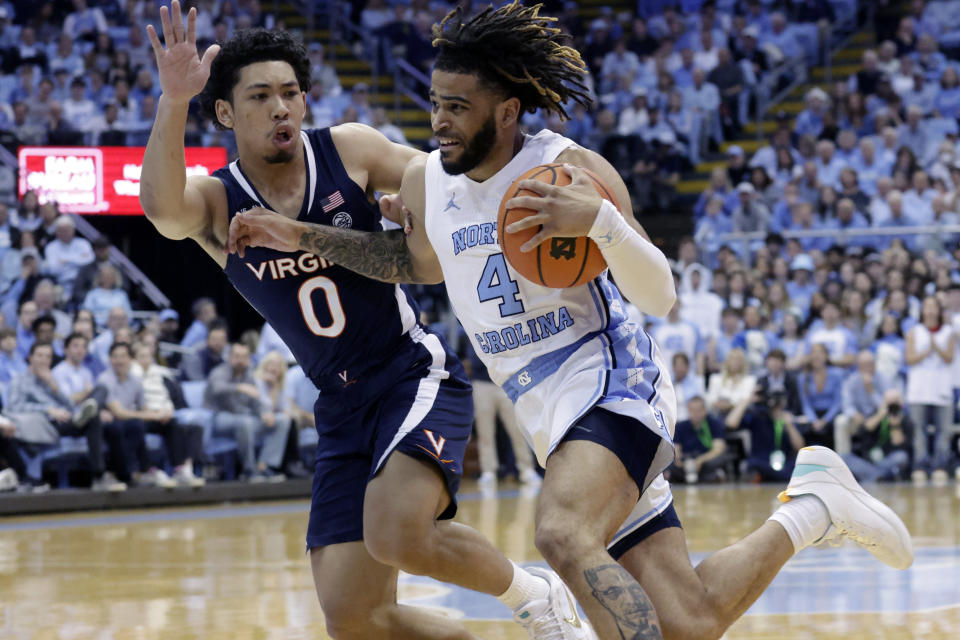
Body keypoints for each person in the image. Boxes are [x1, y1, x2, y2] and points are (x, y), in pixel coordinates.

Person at [227, 2, 914, 638]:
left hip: (611, 383)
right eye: (435, 103)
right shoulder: (425, 182)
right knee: (690, 621)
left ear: (507, 111)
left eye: (457, 107)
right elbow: (412, 263)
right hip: (546, 414)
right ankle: (814, 507)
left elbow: (662, 295)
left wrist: (603, 224)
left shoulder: (563, 170)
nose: (438, 121)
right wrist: (304, 236)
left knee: (559, 531)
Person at [139, 5, 581, 638]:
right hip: (339, 406)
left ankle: (537, 597)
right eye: (261, 96)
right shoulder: (218, 201)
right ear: (227, 114)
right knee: (355, 617)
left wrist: (417, 207)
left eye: (291, 92)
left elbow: (446, 186)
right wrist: (173, 99)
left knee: (398, 532)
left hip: (408, 373)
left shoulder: (348, 150)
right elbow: (160, 208)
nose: (282, 107)